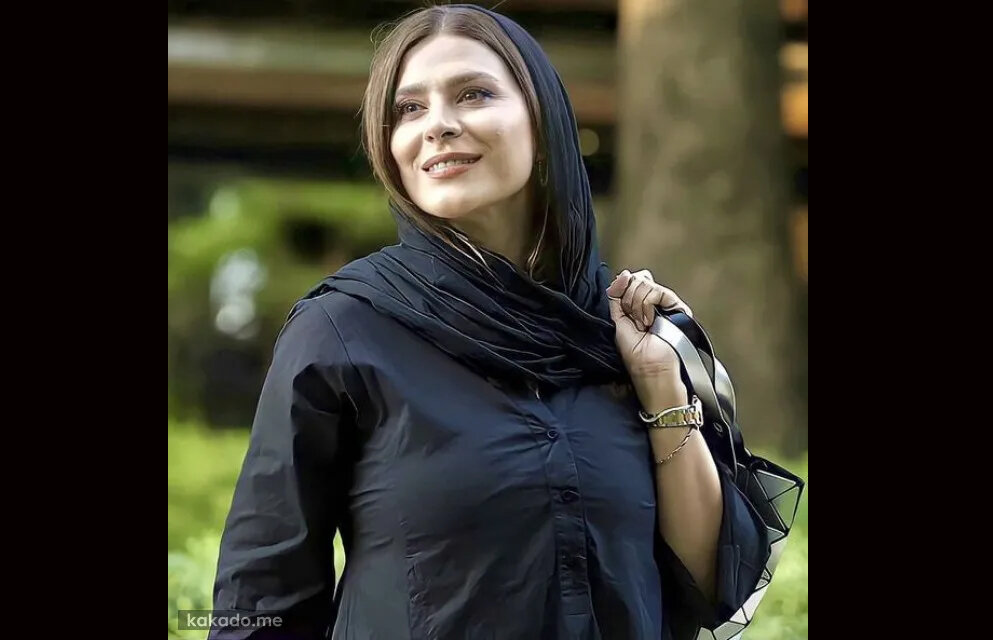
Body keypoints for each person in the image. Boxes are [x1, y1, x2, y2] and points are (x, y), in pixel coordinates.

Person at [208, 5, 768, 639]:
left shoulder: (615, 330)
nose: (438, 125)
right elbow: (259, 599)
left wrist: (661, 387)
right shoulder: (344, 330)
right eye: (408, 108)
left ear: (543, 122)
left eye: (473, 94)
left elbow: (710, 586)